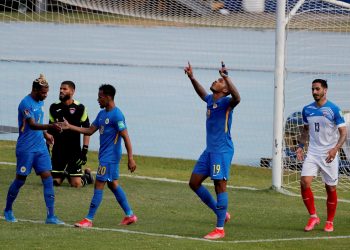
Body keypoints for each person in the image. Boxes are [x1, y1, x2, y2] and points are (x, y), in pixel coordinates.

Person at [60, 84, 137, 228]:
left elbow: (126, 137)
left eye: (100, 97)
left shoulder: (117, 115)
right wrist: (69, 126)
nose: (98, 99)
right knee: (113, 185)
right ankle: (130, 215)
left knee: (99, 184)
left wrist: (131, 158)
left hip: (110, 158)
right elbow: (89, 130)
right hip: (105, 157)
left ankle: (88, 219)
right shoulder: (102, 114)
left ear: (108, 97)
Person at [184, 62, 241, 240]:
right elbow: (202, 93)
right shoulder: (211, 99)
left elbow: (237, 97)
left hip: (222, 151)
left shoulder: (227, 103)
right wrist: (192, 77)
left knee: (219, 186)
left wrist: (225, 77)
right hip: (209, 151)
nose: (215, 81)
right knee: (194, 182)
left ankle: (219, 229)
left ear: (225, 90)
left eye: (219, 81)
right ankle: (221, 212)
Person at [3, 74, 64, 224]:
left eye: (47, 92)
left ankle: (51, 216)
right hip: (26, 149)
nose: (45, 95)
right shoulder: (25, 103)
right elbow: (32, 124)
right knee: (20, 180)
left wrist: (46, 135)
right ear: (34, 90)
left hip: (40, 148)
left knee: (47, 178)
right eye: (43, 92)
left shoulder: (39, 102)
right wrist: (51, 126)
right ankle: (8, 210)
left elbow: (38, 123)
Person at [296, 79, 347, 233]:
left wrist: (335, 149)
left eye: (317, 89)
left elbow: (343, 133)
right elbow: (305, 129)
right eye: (312, 89)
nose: (314, 92)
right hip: (312, 152)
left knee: (330, 188)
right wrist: (300, 146)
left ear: (325, 90)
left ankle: (329, 221)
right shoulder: (307, 110)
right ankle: (313, 216)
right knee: (304, 182)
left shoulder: (334, 109)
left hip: (329, 153)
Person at [48, 81, 94, 188]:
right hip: (58, 151)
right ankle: (65, 172)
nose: (61, 91)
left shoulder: (80, 108)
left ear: (72, 91)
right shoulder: (54, 107)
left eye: (64, 89)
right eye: (60, 89)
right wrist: (47, 144)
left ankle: (87, 176)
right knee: (55, 183)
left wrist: (84, 151)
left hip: (74, 151)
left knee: (76, 184)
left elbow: (87, 130)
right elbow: (50, 129)